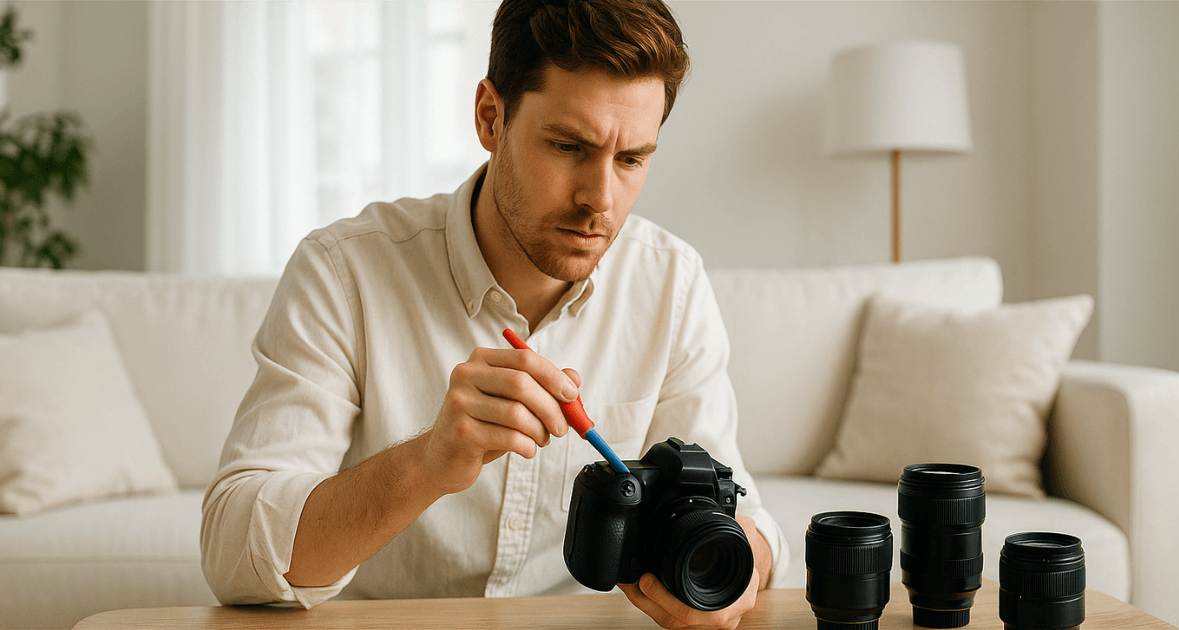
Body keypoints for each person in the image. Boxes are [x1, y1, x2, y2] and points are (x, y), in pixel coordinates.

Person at [200, 0, 789, 628]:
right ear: (490, 116)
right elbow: (233, 554)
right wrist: (424, 464)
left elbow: (744, 518)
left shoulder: (671, 283)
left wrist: (738, 570)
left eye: (631, 159)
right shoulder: (343, 272)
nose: (600, 201)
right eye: (568, 146)